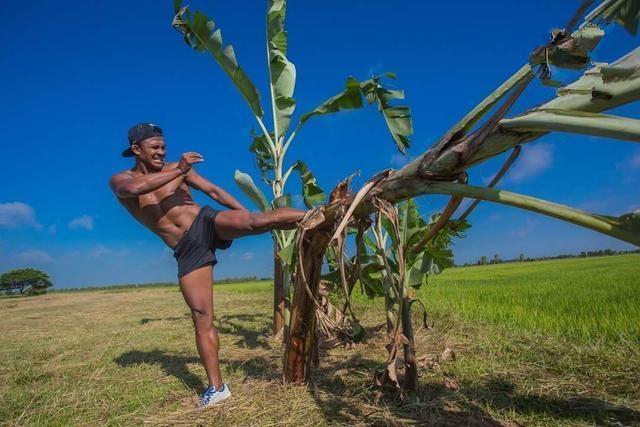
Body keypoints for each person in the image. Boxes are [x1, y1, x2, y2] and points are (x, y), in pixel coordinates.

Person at [109, 123, 305, 407]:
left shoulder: (181, 168)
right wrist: (178, 170)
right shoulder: (121, 179)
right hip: (186, 249)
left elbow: (213, 191)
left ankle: (324, 214)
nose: (162, 153)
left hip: (204, 221)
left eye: (163, 147)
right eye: (155, 148)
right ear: (136, 150)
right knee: (202, 316)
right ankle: (218, 388)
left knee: (258, 221)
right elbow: (134, 188)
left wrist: (242, 215)